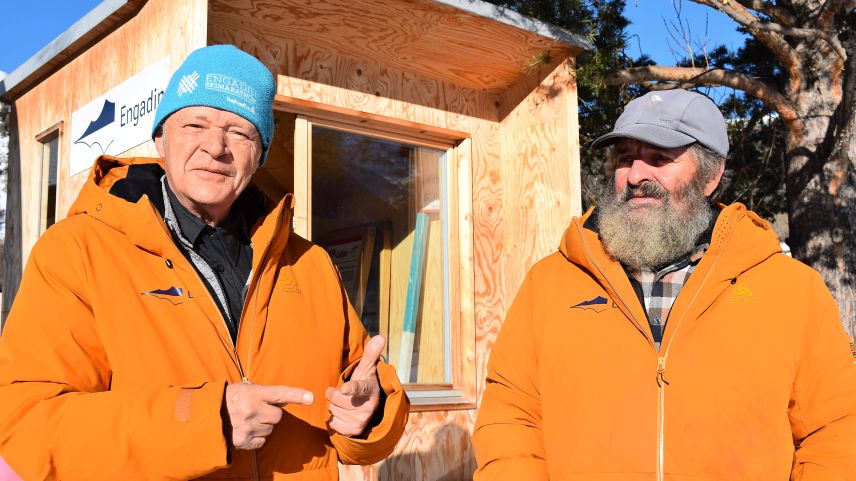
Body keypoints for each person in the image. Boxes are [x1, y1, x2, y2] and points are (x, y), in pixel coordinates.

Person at [0, 45, 408, 481]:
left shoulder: (311, 265)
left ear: (260, 154)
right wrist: (202, 420)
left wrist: (371, 412)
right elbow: (27, 428)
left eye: (240, 132)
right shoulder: (77, 251)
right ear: (161, 138)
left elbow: (359, 384)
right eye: (194, 124)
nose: (216, 147)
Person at [472, 89, 856, 480]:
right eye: (625, 159)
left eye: (659, 158)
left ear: (710, 176)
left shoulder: (790, 291)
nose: (636, 175)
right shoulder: (551, 283)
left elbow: (836, 430)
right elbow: (511, 418)